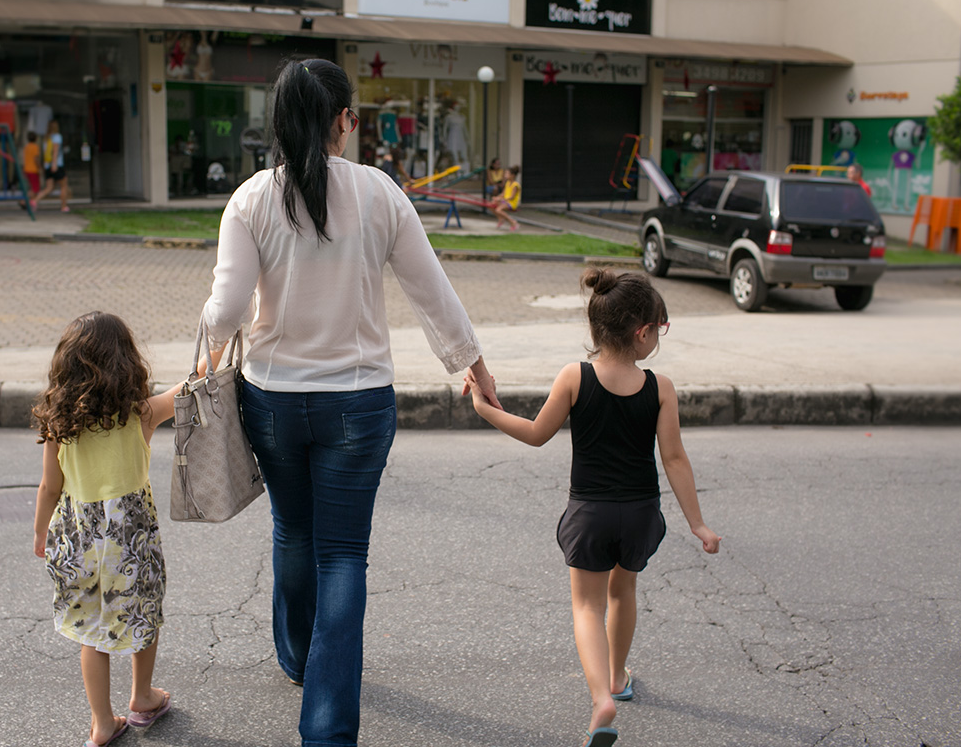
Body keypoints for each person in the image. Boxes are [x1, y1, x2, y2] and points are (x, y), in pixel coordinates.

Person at [202, 57, 501, 747]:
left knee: (292, 530)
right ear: (342, 120)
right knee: (343, 555)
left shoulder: (251, 199)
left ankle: (297, 658)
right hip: (358, 404)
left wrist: (210, 348)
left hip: (272, 400)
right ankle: (328, 730)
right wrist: (473, 365)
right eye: (354, 115)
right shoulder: (378, 192)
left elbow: (224, 311)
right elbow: (432, 291)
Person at [464, 268, 721, 747]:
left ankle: (602, 698)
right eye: (660, 329)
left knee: (587, 605)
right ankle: (618, 677)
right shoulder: (661, 388)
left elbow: (536, 434)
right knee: (623, 593)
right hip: (640, 513)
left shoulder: (574, 377)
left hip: (590, 514)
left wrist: (485, 409)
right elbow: (674, 459)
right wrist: (699, 524)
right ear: (642, 332)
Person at [32, 312, 179, 747]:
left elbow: (49, 487)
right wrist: (218, 343)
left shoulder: (60, 425)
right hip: (129, 542)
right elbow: (190, 386)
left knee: (91, 631)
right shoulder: (140, 415)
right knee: (142, 613)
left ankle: (101, 723)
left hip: (76, 536)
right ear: (127, 363)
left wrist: (41, 534)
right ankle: (142, 697)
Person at [32, 119, 69, 213]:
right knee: (64, 186)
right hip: (56, 165)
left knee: (49, 188)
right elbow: (55, 151)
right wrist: (54, 164)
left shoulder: (46, 138)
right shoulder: (57, 137)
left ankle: (34, 201)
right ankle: (64, 206)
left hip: (47, 166)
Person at [491, 164, 521, 230]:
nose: (505, 175)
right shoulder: (507, 183)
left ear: (512, 175)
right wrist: (497, 198)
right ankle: (501, 219)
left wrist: (501, 200)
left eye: (507, 173)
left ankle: (513, 222)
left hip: (511, 203)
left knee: (498, 210)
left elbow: (512, 197)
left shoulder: (515, 185)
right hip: (506, 201)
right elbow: (503, 194)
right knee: (492, 204)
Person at [22, 131, 41, 196]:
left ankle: (29, 200)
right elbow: (36, 159)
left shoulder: (26, 147)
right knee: (35, 189)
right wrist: (39, 167)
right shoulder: (35, 147)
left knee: (31, 187)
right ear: (36, 139)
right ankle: (25, 200)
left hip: (26, 169)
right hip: (33, 170)